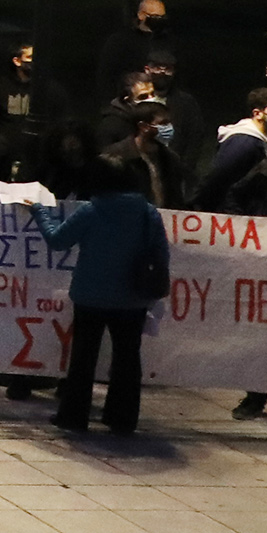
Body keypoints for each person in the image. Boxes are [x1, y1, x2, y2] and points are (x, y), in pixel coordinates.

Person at [39, 150, 168, 435]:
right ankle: (122, 418)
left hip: (90, 296)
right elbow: (161, 254)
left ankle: (73, 416)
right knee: (127, 358)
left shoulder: (91, 210)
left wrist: (39, 212)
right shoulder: (148, 213)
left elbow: (57, 240)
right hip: (133, 297)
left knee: (83, 357)